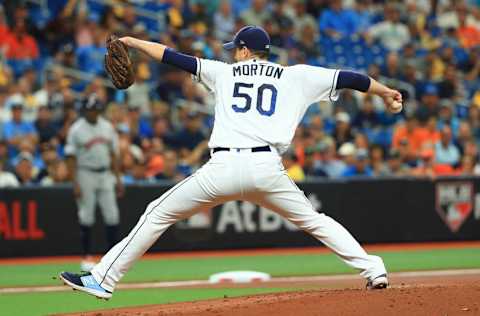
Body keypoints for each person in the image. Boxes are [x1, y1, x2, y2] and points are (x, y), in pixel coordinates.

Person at [60, 25, 402, 298]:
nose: (233, 54)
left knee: (158, 213)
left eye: (234, 49)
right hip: (268, 169)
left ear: (242, 50)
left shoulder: (223, 72)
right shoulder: (297, 75)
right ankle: (375, 270)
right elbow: (352, 79)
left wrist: (132, 40)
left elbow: (172, 57)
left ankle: (103, 279)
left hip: (222, 169)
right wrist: (386, 92)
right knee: (316, 221)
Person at [64, 94, 124, 272]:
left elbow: (113, 154)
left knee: (112, 214)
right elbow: (70, 158)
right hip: (85, 173)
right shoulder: (76, 129)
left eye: (95, 109)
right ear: (84, 111)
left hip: (105, 173)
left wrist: (118, 178)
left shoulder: (107, 127)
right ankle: (87, 255)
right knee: (86, 215)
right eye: (89, 110)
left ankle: (113, 257)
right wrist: (74, 182)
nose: (92, 113)